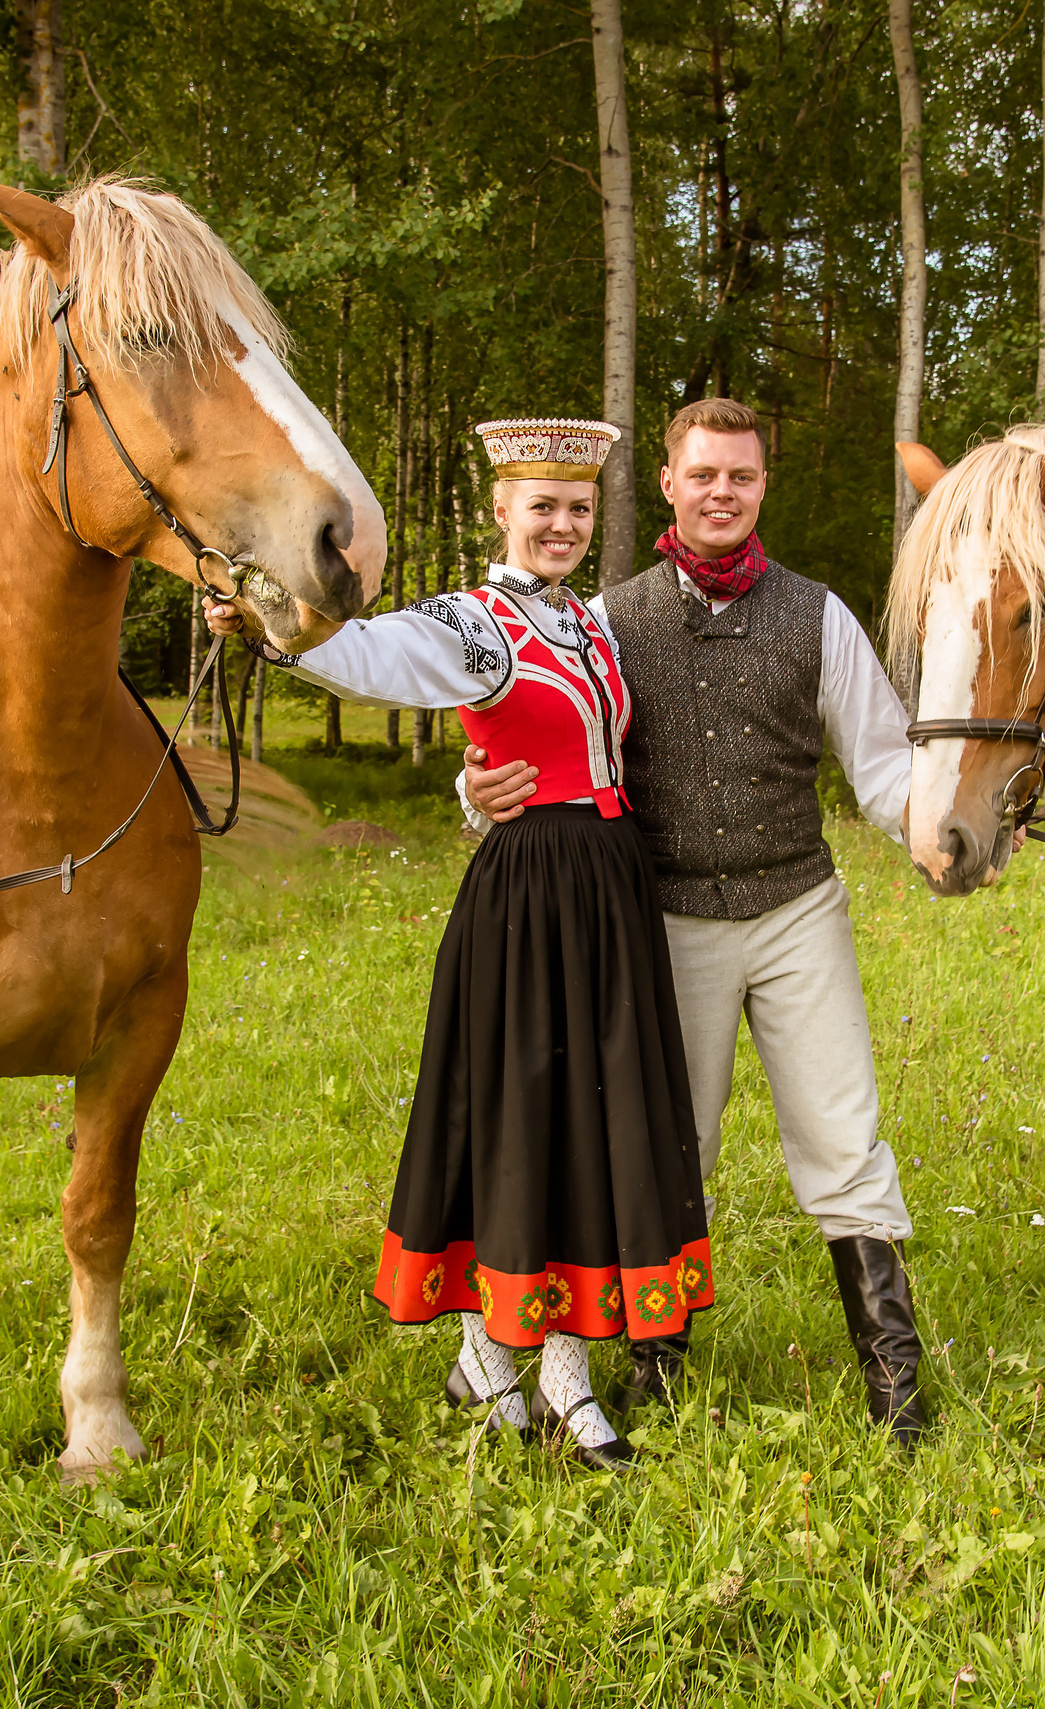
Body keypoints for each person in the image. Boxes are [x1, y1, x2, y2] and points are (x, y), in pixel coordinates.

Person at [205, 417, 707, 1471]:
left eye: (576, 508)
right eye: (542, 507)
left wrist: (471, 794)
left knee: (585, 1119)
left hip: (608, 891)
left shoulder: (592, 622)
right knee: (525, 1118)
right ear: (501, 511)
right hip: (531, 898)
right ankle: (520, 1365)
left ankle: (526, 1365)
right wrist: (268, 617)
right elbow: (367, 654)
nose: (561, 524)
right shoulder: (475, 626)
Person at [463, 397, 927, 1445]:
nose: (723, 491)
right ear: (668, 484)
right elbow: (537, 740)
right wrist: (472, 790)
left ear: (764, 488)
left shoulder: (817, 615)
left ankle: (893, 1381)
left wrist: (939, 836)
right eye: (704, 473)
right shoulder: (605, 620)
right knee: (671, 1146)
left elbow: (884, 761)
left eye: (743, 477)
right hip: (663, 919)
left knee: (844, 1139)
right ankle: (654, 1364)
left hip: (796, 906)